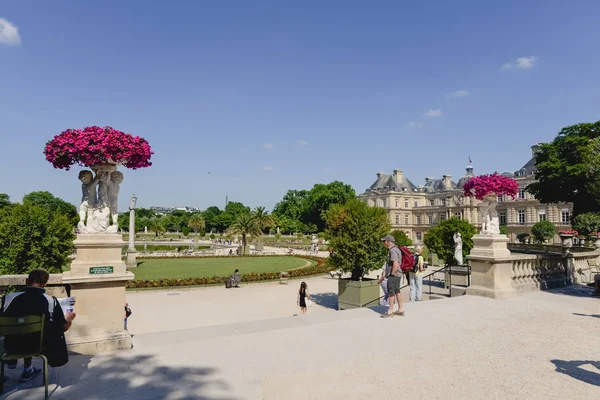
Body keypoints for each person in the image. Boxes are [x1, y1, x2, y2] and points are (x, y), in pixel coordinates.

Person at [2, 269, 76, 382]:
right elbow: (64, 327)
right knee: (36, 331)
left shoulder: (8, 298)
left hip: (11, 346)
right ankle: (27, 370)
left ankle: (21, 366)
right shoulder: (50, 301)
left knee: (22, 328)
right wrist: (69, 319)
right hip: (37, 346)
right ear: (45, 284)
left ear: (27, 281)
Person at [378, 235, 404, 318]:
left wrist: (392, 274)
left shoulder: (392, 250)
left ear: (388, 242)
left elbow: (395, 263)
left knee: (391, 292)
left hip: (394, 275)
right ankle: (400, 310)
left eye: (384, 241)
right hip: (398, 274)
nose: (384, 243)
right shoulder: (396, 249)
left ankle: (390, 311)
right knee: (397, 291)